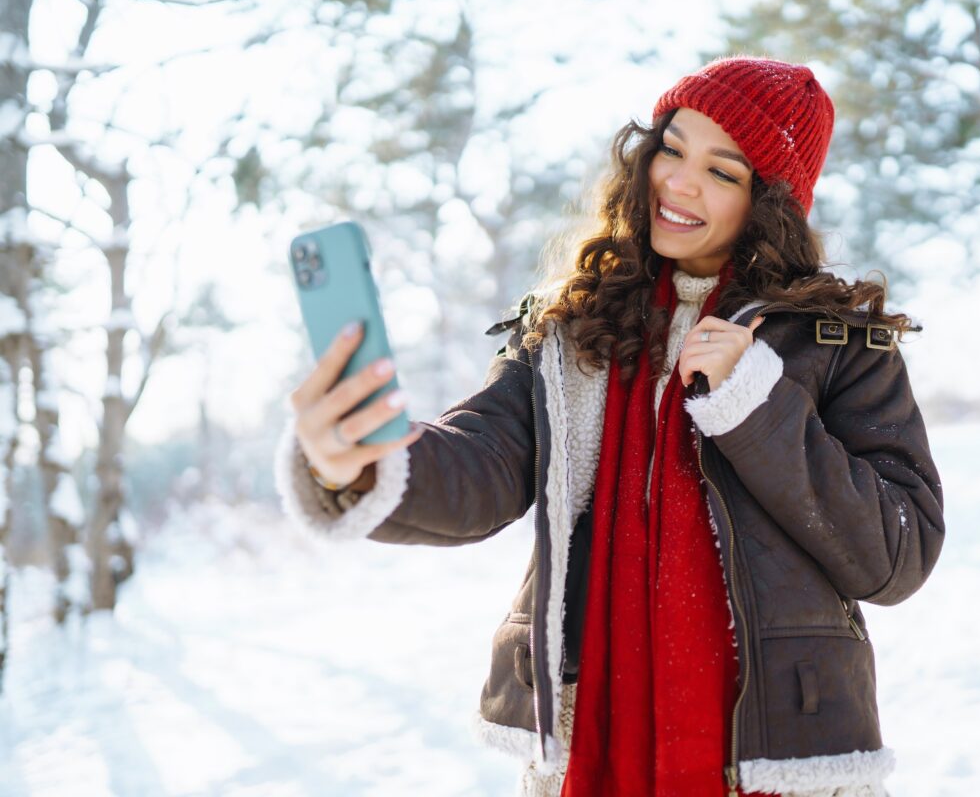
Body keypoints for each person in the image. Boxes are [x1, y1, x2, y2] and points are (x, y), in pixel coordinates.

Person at [276, 55, 945, 797]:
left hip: (774, 760)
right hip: (602, 745)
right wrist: (359, 461)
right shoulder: (572, 332)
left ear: (769, 203)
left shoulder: (835, 344)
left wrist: (758, 404)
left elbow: (897, 553)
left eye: (723, 172)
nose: (680, 182)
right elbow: (483, 461)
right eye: (672, 147)